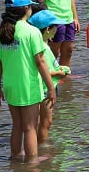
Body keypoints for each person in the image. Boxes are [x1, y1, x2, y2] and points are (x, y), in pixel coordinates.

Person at [0, 0, 55, 159]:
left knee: (17, 126)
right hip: (28, 86)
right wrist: (51, 87)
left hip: (10, 87)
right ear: (27, 8)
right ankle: (32, 162)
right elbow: (41, 62)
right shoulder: (32, 31)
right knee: (30, 127)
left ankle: (16, 157)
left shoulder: (2, 32)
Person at [28, 9, 71, 143]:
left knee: (39, 121)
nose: (57, 30)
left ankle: (38, 145)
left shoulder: (39, 44)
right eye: (55, 27)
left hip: (41, 87)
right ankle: (42, 147)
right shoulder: (42, 47)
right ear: (47, 30)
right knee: (46, 122)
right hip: (46, 88)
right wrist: (59, 73)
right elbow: (41, 69)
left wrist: (59, 68)